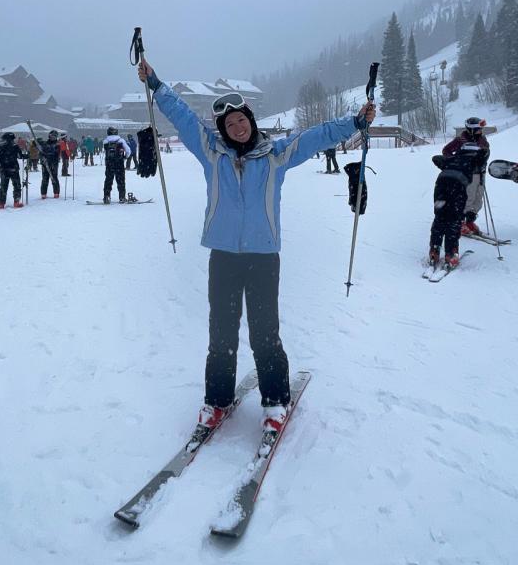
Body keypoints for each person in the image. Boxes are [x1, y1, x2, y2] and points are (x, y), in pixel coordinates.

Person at [138, 57, 375, 435]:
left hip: (263, 257)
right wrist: (155, 84)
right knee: (221, 332)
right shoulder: (210, 151)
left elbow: (316, 136)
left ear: (251, 121)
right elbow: (182, 116)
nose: (237, 126)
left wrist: (355, 123)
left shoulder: (276, 154)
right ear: (224, 129)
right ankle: (217, 401)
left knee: (265, 331)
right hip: (224, 256)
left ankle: (276, 400)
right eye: (230, 124)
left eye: (242, 120)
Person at [428, 135, 488, 269]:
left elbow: (436, 159)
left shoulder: (453, 158)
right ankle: (451, 253)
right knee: (454, 220)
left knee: (440, 217)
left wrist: (448, 161)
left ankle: (434, 249)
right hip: (458, 188)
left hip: (441, 186)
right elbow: (484, 156)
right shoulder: (474, 160)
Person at [442, 116, 490, 236]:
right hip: (468, 174)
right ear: (472, 129)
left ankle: (470, 221)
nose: (481, 131)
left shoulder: (482, 139)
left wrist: (484, 156)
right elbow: (446, 151)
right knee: (468, 198)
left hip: (481, 173)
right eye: (479, 129)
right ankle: (461, 222)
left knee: (478, 200)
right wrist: (456, 162)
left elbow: (486, 152)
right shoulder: (461, 139)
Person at [0, 132, 24, 208]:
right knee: (17, 185)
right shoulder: (15, 146)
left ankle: (1, 203)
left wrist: (0, 165)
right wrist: (27, 155)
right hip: (14, 168)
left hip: (4, 169)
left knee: (3, 186)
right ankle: (16, 202)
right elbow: (20, 156)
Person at [102, 126, 130, 203]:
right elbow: (128, 151)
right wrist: (125, 157)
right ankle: (122, 197)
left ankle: (106, 196)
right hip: (119, 163)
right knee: (121, 180)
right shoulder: (121, 140)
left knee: (108, 180)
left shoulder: (106, 141)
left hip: (109, 163)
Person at [40, 132, 62, 198]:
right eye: (52, 136)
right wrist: (42, 158)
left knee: (54, 178)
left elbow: (57, 154)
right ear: (49, 136)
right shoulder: (45, 144)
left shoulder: (57, 144)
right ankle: (43, 193)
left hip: (53, 164)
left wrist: (50, 157)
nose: (53, 137)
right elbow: (41, 153)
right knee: (45, 179)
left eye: (55, 136)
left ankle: (56, 192)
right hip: (45, 164)